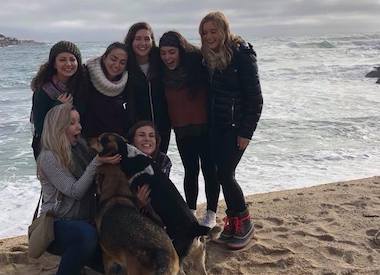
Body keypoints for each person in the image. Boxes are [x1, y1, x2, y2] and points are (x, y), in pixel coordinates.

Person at [199, 11, 264, 249]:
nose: (209, 36)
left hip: (236, 128)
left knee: (226, 175)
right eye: (205, 33)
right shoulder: (208, 57)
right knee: (221, 175)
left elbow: (255, 99)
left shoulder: (242, 55)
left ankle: (244, 223)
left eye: (213, 31)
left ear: (224, 30)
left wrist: (246, 133)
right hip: (217, 127)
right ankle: (234, 221)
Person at [37, 103, 121, 275]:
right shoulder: (48, 157)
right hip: (57, 226)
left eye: (79, 121)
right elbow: (75, 192)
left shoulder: (80, 148)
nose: (79, 127)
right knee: (86, 235)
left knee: (119, 267)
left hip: (86, 224)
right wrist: (97, 162)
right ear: (59, 127)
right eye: (73, 122)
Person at [158, 31, 220, 228]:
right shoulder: (161, 75)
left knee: (210, 171)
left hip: (205, 128)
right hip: (182, 131)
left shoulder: (196, 66)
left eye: (172, 52)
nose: (167, 57)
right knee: (190, 171)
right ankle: (191, 211)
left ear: (180, 51)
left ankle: (211, 214)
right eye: (164, 53)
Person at [30, 41, 85, 160]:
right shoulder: (43, 91)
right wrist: (59, 107)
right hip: (49, 148)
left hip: (75, 143)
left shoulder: (81, 85)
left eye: (72, 59)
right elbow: (40, 127)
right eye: (62, 60)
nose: (68, 64)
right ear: (54, 64)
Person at [124, 22, 171, 153]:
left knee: (160, 166)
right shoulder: (125, 65)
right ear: (131, 41)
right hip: (136, 129)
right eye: (138, 39)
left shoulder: (161, 61)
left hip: (161, 127)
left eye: (146, 39)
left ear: (152, 41)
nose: (142, 43)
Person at [81, 42, 131, 148]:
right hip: (88, 144)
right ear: (104, 58)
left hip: (114, 145)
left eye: (122, 62)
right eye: (113, 59)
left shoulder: (125, 83)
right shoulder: (85, 75)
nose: (117, 65)